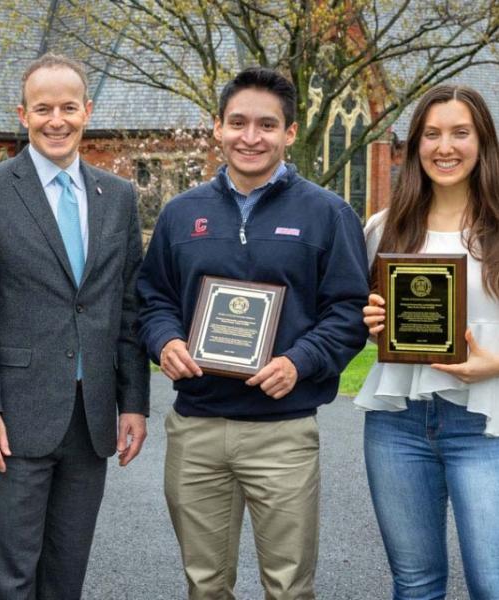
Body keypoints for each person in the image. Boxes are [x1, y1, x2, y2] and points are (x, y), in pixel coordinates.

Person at [137, 67, 369, 599]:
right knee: (204, 584)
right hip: (196, 430)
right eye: (237, 122)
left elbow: (349, 309)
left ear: (289, 132)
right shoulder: (180, 213)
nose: (250, 136)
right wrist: (166, 341)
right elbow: (153, 299)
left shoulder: (328, 214)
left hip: (282, 433)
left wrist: (300, 360)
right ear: (217, 126)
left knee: (288, 587)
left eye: (267, 125)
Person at [0, 52, 150, 598]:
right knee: (10, 578)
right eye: (43, 108)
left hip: (91, 419)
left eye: (67, 107)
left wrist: (133, 402)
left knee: (66, 576)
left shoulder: (119, 197)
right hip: (13, 418)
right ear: (23, 114)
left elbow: (128, 308)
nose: (55, 120)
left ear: (88, 110)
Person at [357, 84, 499, 600]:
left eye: (461, 133)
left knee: (492, 582)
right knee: (415, 583)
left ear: (483, 142)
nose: (446, 147)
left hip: (486, 426)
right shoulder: (383, 229)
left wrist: (496, 364)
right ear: (415, 144)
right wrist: (374, 320)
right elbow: (364, 325)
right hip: (398, 424)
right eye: (432, 134)